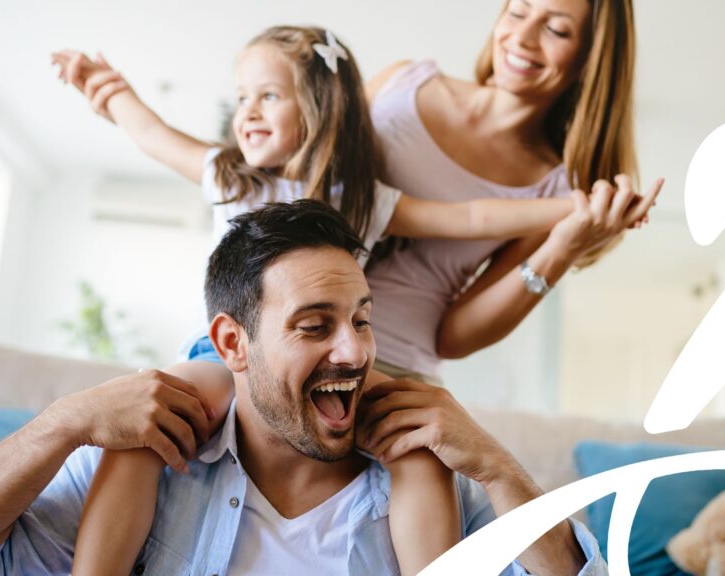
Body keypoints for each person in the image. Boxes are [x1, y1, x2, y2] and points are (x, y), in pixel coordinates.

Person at [50, 24, 651, 575]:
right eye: (243, 98)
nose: (246, 113)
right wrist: (110, 92)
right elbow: (153, 134)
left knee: (421, 456)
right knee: (148, 422)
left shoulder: (366, 199)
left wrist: (578, 209)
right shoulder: (231, 174)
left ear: (315, 109)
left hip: (359, 373)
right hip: (222, 359)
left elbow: (472, 215)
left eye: (268, 97)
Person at [0, 200, 606, 575]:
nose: (354, 350)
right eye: (315, 325)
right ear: (232, 343)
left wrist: (499, 468)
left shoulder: (429, 471)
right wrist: (62, 423)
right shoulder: (150, 449)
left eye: (362, 318)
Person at [363, 0, 661, 378]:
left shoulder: (555, 190)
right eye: (518, 12)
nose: (522, 37)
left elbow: (452, 339)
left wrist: (561, 249)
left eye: (556, 30)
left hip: (390, 367)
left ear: (591, 58)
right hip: (286, 332)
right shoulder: (400, 82)